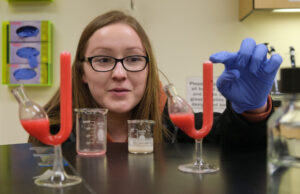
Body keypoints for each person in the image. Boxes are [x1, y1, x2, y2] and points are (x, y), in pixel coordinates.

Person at [28, 10, 282, 146]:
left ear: (149, 68)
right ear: (82, 72)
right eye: (103, 60)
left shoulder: (178, 126)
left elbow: (239, 150)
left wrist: (251, 111)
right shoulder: (52, 132)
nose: (119, 74)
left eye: (134, 59)